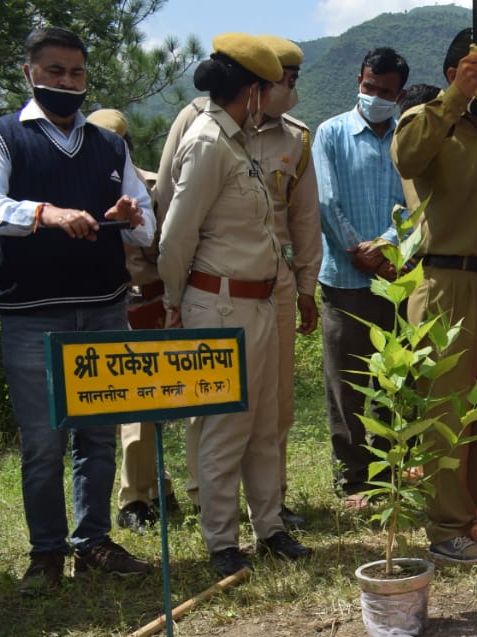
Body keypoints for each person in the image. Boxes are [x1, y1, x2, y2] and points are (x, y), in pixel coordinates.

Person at [0, 26, 156, 591]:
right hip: (32, 314)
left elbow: (146, 222)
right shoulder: (5, 137)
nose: (68, 83)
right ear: (30, 74)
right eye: (56, 72)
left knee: (98, 435)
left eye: (77, 73)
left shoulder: (110, 145)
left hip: (104, 308)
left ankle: (93, 542)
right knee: (42, 442)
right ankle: (46, 553)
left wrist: (132, 216)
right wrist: (47, 213)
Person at [158, 33, 312, 576]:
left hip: (260, 304)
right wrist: (174, 303)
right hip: (219, 306)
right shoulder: (206, 141)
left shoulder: (237, 141)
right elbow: (176, 236)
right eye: (266, 89)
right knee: (227, 426)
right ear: (250, 90)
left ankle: (269, 527)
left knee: (266, 423)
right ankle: (222, 541)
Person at [391, 28, 477, 565]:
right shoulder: (427, 121)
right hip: (446, 281)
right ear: (456, 74)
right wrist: (454, 100)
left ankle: (469, 511)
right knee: (448, 407)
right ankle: (444, 527)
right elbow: (407, 158)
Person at [312, 47, 409, 508]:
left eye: (386, 92)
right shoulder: (330, 133)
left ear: (400, 94)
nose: (375, 96)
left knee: (393, 382)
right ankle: (354, 479)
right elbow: (326, 202)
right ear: (359, 79)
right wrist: (362, 251)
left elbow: (413, 204)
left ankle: (390, 470)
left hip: (395, 280)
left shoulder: (406, 136)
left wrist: (386, 246)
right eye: (370, 88)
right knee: (346, 386)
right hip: (344, 281)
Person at [85, 108, 178, 535]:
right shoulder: (77, 189)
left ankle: (162, 487)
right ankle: (134, 499)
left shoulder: (154, 186)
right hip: (112, 304)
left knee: (168, 400)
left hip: (157, 302)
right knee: (136, 405)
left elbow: (169, 245)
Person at [246, 35, 321, 528]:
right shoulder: (202, 123)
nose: (291, 92)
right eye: (285, 81)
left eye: (295, 81)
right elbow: (170, 198)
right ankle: (210, 499)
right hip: (214, 284)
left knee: (277, 404)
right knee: (220, 399)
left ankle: (272, 501)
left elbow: (305, 218)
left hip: (276, 286)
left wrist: (308, 286)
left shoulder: (296, 138)